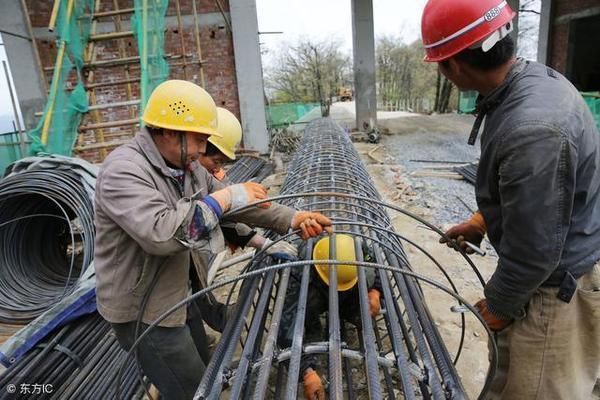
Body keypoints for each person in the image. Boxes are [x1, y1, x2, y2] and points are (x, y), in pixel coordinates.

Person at [94, 79, 333, 400]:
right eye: (198, 139)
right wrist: (226, 199)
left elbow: (241, 205)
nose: (203, 150)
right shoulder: (124, 171)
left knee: (203, 371)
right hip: (145, 312)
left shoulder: (185, 164)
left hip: (179, 292)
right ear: (168, 131)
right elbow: (164, 236)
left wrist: (292, 218)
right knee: (192, 391)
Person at [421, 1, 600, 398]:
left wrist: (500, 307)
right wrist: (482, 221)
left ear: (452, 64)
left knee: (536, 389)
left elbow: (536, 250)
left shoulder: (532, 128)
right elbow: (537, 194)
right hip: (551, 269)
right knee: (508, 382)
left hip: (555, 289)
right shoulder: (526, 84)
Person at [277, 234, 382, 400]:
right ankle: (312, 329)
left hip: (347, 289)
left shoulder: (356, 249)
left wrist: (376, 291)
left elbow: (377, 264)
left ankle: (348, 310)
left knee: (365, 314)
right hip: (316, 292)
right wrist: (306, 372)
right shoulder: (298, 269)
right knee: (308, 305)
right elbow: (284, 327)